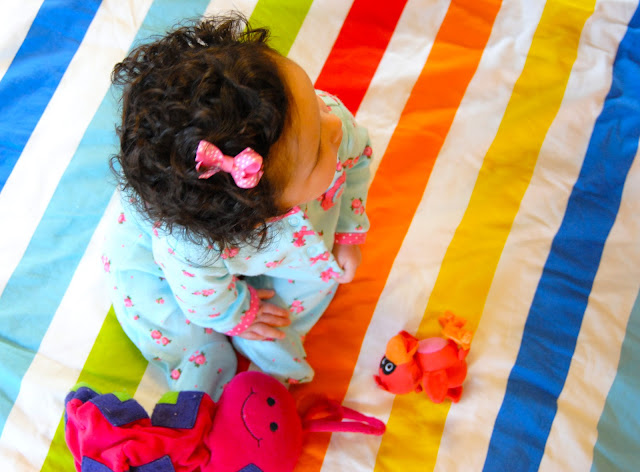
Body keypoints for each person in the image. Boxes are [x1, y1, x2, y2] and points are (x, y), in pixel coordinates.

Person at [102, 14, 373, 400]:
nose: (334, 126)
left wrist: (348, 229)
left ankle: (269, 366)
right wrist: (239, 314)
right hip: (172, 265)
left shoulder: (319, 122)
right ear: (265, 212)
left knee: (308, 286)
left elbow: (356, 161)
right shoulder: (190, 246)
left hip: (260, 238)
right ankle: (202, 368)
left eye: (313, 101)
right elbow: (200, 294)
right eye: (317, 153)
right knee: (160, 312)